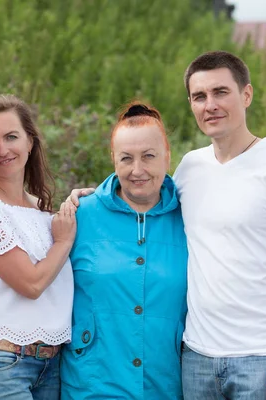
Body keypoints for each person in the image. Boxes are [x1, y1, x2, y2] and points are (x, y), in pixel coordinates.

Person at [177, 51, 266, 400]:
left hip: (261, 359)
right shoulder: (188, 168)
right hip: (196, 357)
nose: (210, 105)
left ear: (246, 95)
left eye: (220, 92)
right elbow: (143, 204)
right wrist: (90, 197)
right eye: (200, 97)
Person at [60, 102, 188, 399]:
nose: (137, 170)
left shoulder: (191, 218)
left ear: (168, 157)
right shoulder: (79, 215)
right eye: (126, 158)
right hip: (92, 387)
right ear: (113, 160)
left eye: (149, 156)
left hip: (165, 386)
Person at [0, 95, 75, 400]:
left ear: (30, 143)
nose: (3, 150)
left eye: (11, 137)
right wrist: (63, 241)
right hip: (3, 364)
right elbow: (31, 283)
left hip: (51, 363)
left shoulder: (41, 210)